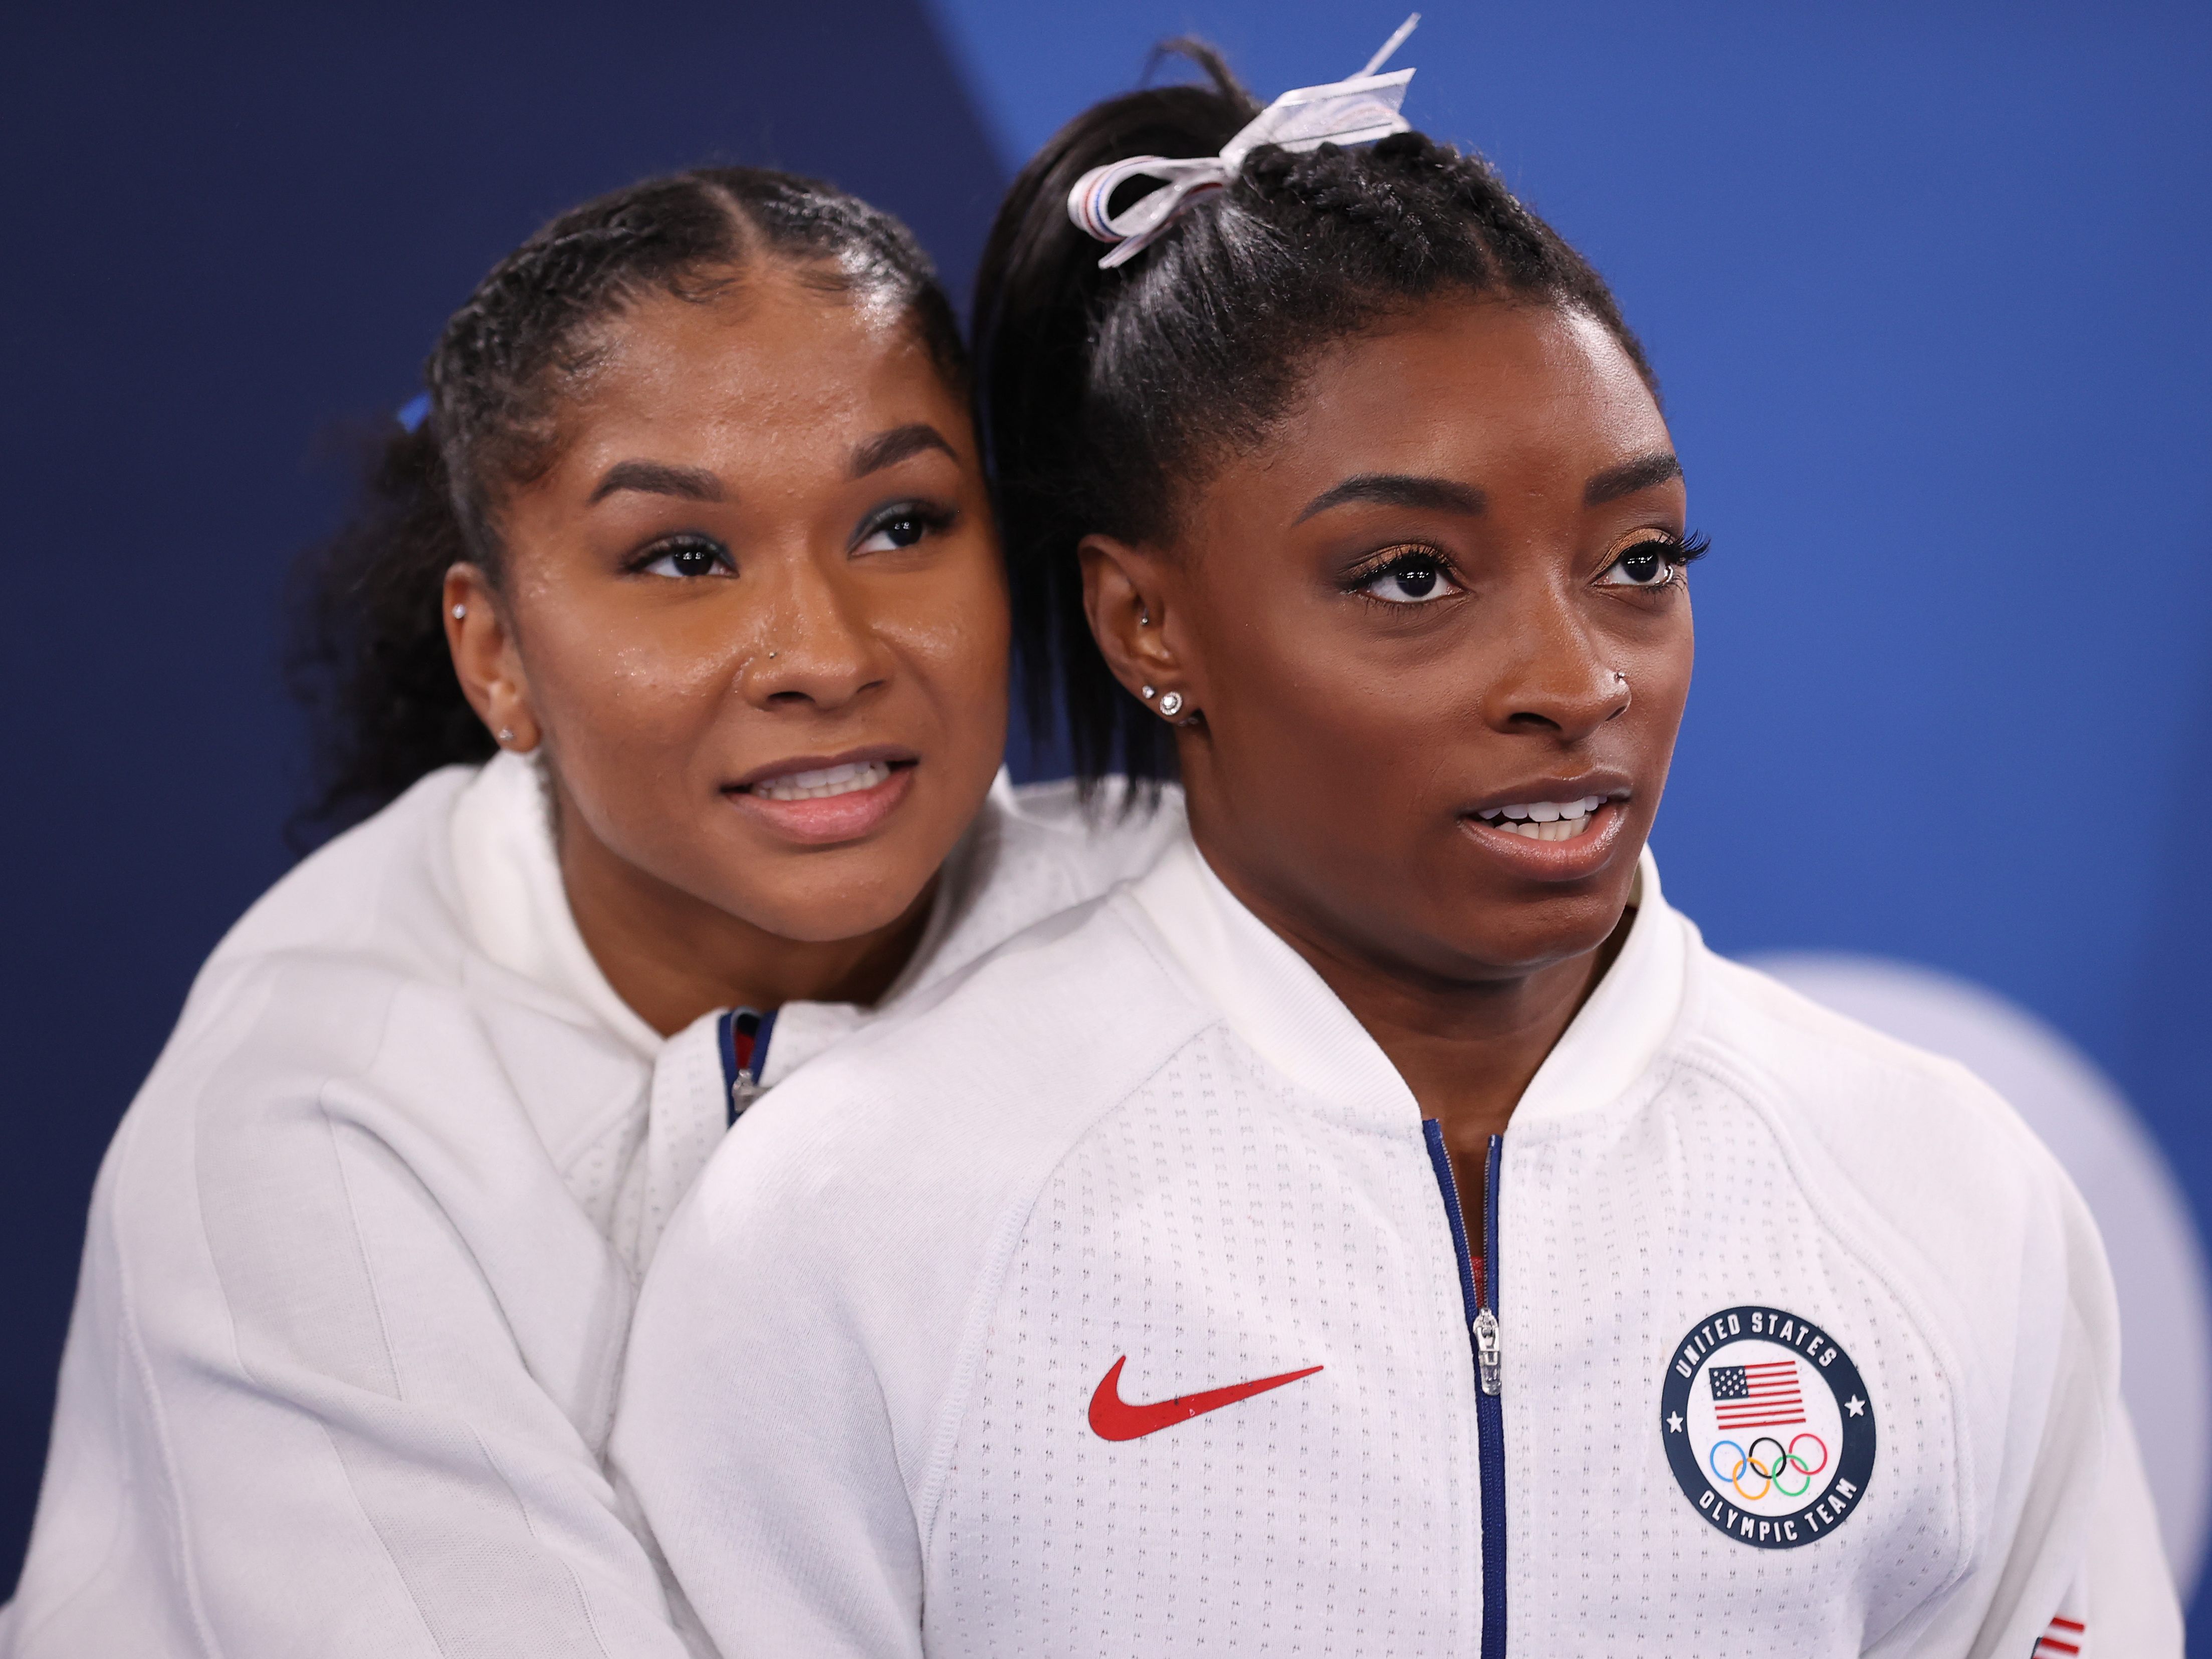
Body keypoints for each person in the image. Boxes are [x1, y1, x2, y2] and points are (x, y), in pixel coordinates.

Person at [613, 44, 2182, 1659]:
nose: (1580, 680)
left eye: (1640, 557)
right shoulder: (853, 1221)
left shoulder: (1939, 1191)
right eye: (1414, 577)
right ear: (1145, 619)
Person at [4, 166, 1179, 1656]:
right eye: (682, 557)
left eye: (899, 523)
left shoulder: (1193, 923)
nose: (822, 651)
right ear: (495, 657)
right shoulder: (310, 1126)